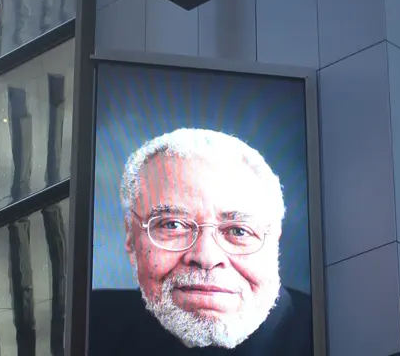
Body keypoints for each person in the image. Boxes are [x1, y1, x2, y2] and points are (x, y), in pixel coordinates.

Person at [88, 128, 313, 354]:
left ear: (274, 240)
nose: (206, 257)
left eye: (238, 230)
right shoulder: (88, 323)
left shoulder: (330, 334)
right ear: (131, 237)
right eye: (172, 225)